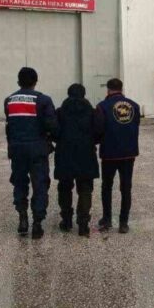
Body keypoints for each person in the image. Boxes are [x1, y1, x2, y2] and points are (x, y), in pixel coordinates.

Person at [5, 67, 57, 239]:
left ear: (18, 81)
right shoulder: (43, 100)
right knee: (40, 185)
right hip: (38, 150)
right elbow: (52, 126)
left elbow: (10, 126)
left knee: (19, 183)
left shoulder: (9, 101)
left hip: (17, 150)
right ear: (36, 82)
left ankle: (22, 218)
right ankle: (37, 223)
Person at [53, 83, 103, 237]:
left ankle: (66, 220)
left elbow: (54, 131)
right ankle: (83, 224)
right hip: (86, 153)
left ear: (68, 94)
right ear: (84, 94)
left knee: (64, 188)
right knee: (85, 189)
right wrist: (90, 142)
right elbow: (99, 131)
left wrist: (60, 141)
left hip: (64, 153)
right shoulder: (92, 112)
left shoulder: (60, 112)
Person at [95, 78, 140, 234]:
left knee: (107, 187)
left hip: (109, 154)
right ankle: (123, 223)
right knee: (126, 188)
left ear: (108, 90)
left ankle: (107, 219)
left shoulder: (102, 106)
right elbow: (135, 125)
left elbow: (98, 130)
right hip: (129, 153)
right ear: (121, 88)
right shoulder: (134, 106)